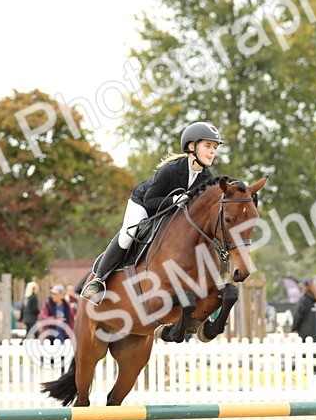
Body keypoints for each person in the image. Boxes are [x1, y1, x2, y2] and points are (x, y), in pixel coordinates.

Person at [80, 121, 222, 304]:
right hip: (143, 204)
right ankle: (98, 280)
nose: (212, 152)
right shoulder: (170, 170)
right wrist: (174, 201)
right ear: (192, 147)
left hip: (171, 213)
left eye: (215, 148)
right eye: (208, 146)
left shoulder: (206, 179)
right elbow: (150, 201)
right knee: (128, 234)